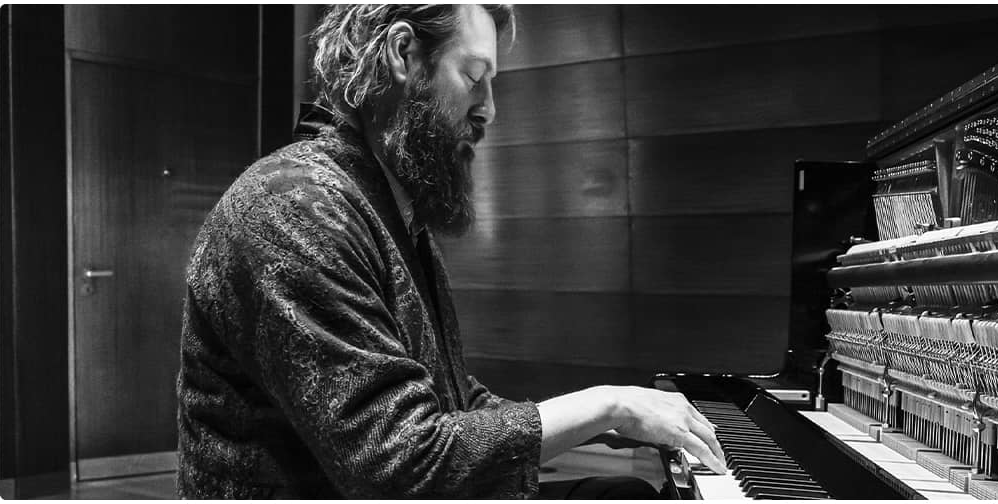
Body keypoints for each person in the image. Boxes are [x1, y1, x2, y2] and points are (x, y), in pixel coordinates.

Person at [175, 4, 726, 499]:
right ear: (402, 53)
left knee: (621, 493)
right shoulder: (295, 205)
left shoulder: (383, 207)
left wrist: (594, 418)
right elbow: (397, 466)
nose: (489, 110)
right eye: (474, 76)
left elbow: (449, 402)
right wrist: (609, 404)